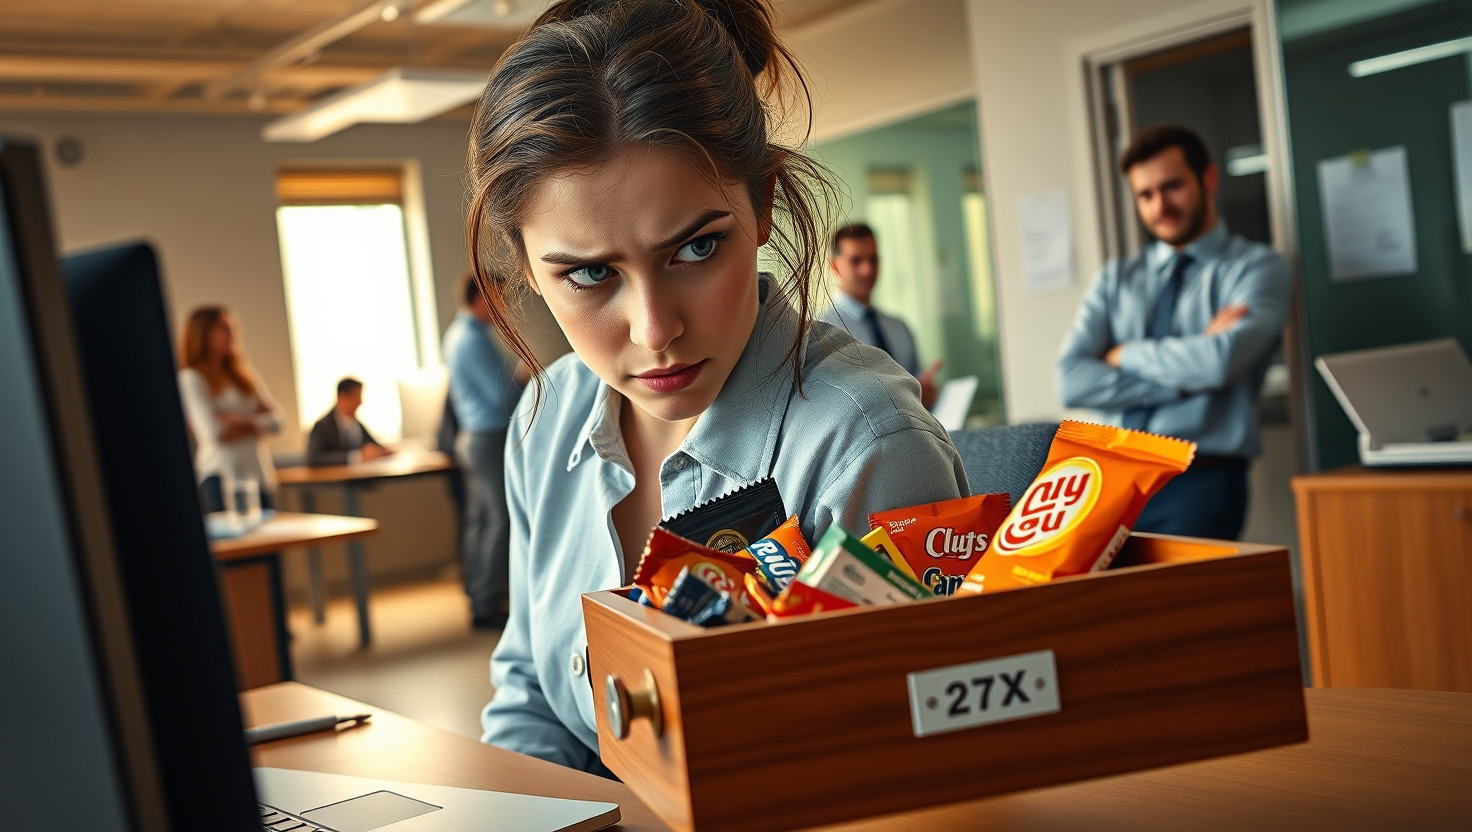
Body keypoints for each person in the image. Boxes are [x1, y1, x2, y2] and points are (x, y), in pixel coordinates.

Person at [466, 0, 968, 775]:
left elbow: (907, 764)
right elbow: (531, 692)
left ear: (763, 203)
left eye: (697, 248)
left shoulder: (866, 446)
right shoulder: (546, 414)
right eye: (591, 274)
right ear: (526, 266)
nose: (655, 327)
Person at [1056, 124, 1291, 540]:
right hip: (1110, 479)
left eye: (1173, 187)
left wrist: (1124, 353)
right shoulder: (1116, 278)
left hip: (1198, 481)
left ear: (1209, 179)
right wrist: (1187, 373)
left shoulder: (1256, 268)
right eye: (1145, 195)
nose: (1160, 205)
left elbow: (1220, 362)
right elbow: (1071, 380)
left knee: (1190, 606)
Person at [442, 271, 525, 630]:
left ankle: (478, 594)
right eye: (498, 298)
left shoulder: (457, 334)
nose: (501, 306)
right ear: (481, 297)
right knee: (500, 519)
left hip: (471, 437)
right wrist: (524, 376)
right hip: (488, 437)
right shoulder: (474, 340)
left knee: (479, 519)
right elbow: (503, 397)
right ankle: (488, 604)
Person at [818, 223, 943, 407]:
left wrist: (927, 393)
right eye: (856, 261)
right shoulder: (821, 331)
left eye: (873, 259)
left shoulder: (899, 328)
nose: (867, 270)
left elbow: (918, 387)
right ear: (835, 266)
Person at [177, 306, 282, 513]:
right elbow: (213, 431)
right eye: (224, 328)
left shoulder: (245, 377)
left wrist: (235, 421)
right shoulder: (191, 379)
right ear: (203, 334)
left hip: (257, 474)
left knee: (270, 544)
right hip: (221, 477)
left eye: (233, 327)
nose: (233, 333)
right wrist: (256, 423)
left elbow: (278, 422)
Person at [305, 377, 392, 466]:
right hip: (336, 478)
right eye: (357, 396)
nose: (360, 402)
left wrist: (383, 451)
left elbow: (374, 445)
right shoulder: (322, 426)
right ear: (343, 397)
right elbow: (314, 458)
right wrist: (355, 457)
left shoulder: (356, 424)